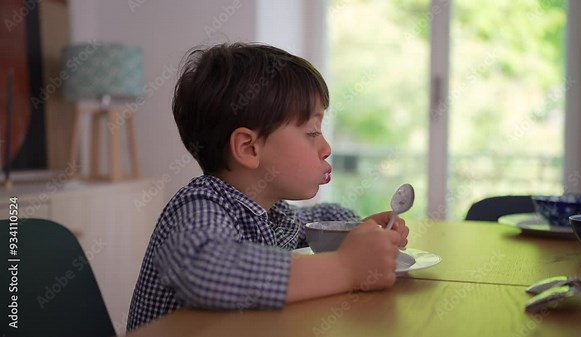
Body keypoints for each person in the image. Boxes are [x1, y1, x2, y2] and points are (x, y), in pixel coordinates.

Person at [127, 42, 409, 331]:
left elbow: (314, 221)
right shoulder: (200, 205)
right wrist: (346, 268)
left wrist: (359, 231)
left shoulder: (271, 211)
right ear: (249, 148)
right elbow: (207, 269)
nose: (325, 148)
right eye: (312, 132)